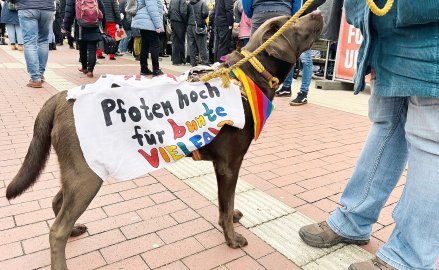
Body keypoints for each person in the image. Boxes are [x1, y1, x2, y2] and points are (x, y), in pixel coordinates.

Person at [298, 1, 439, 270]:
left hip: (429, 33)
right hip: (386, 34)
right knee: (386, 122)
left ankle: (409, 258)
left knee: (431, 138)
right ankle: (354, 218)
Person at [16, 0, 56, 88]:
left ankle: (35, 78)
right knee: (43, 41)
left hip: (27, 7)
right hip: (47, 8)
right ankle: (40, 74)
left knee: (30, 42)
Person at [63, 0, 105, 78]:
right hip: (94, 25)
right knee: (92, 49)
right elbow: (102, 10)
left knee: (82, 48)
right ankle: (90, 71)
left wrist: (66, 27)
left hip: (80, 27)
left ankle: (84, 68)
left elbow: (69, 13)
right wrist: (103, 25)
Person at [187, 0, 208, 66]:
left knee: (191, 45)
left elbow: (186, 14)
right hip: (198, 26)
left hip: (190, 25)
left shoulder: (189, 4)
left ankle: (193, 62)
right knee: (202, 45)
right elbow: (205, 14)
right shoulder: (202, 3)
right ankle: (205, 62)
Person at [168, 0, 188, 65]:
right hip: (180, 22)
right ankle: (181, 60)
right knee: (181, 41)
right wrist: (185, 21)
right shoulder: (182, 1)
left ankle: (175, 60)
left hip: (173, 21)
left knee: (175, 41)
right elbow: (183, 12)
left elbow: (169, 11)